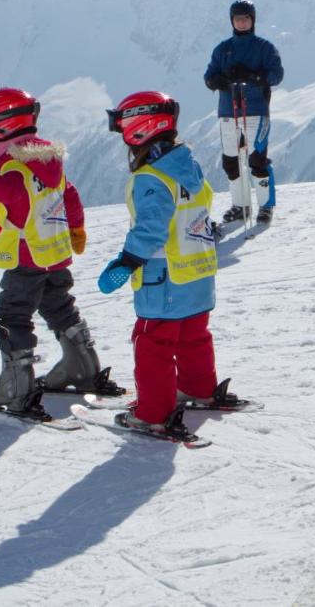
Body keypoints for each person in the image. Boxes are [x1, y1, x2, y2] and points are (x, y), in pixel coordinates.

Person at [0, 87, 124, 418]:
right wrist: (76, 229)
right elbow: (69, 193)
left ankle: (16, 386)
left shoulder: (14, 163)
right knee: (58, 305)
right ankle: (82, 367)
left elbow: (14, 195)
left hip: (26, 252)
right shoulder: (46, 160)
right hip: (53, 252)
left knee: (12, 316)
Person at [100, 91, 240, 437]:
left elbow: (152, 229)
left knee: (153, 342)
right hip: (198, 271)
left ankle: (153, 413)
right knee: (193, 335)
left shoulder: (151, 178)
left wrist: (126, 262)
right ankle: (197, 389)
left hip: (164, 275)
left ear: (138, 127)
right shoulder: (187, 165)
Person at [203, 0, 284, 226]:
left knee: (257, 160)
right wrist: (217, 81)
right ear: (232, 21)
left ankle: (265, 206)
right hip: (228, 112)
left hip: (256, 111)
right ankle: (240, 206)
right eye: (237, 19)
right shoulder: (222, 49)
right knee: (231, 161)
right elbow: (208, 76)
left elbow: (277, 75)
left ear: (253, 20)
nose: (241, 22)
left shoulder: (264, 47)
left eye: (245, 18)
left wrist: (254, 76)